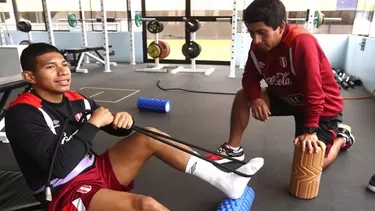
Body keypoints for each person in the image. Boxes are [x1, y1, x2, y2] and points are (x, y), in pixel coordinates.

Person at [4, 42, 264, 211]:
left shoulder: (76, 99)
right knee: (145, 205)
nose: (63, 72)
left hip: (95, 169)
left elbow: (108, 127)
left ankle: (226, 180)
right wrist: (94, 123)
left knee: (150, 135)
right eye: (51, 67)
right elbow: (60, 165)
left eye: (64, 63)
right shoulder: (22, 114)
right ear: (30, 77)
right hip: (64, 190)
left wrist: (121, 124)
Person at [206, 0, 355, 170]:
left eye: (262, 32)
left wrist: (310, 131)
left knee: (310, 166)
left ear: (281, 27)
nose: (256, 40)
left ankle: (342, 137)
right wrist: (256, 99)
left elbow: (314, 93)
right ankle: (232, 149)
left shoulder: (301, 42)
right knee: (243, 96)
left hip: (321, 108)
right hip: (289, 99)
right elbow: (249, 78)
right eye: (251, 33)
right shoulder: (257, 47)